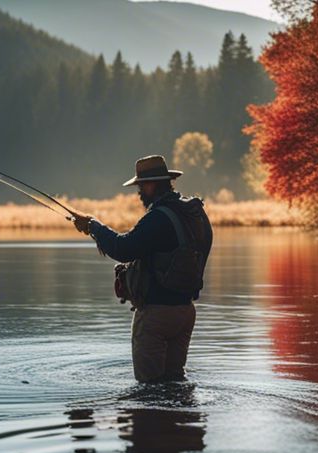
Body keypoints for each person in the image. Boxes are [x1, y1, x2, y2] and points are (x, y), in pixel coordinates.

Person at [72, 155, 213, 382]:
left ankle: (150, 417)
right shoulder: (194, 213)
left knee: (149, 389)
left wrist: (94, 226)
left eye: (140, 187)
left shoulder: (158, 217)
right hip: (185, 311)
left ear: (151, 185)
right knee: (174, 382)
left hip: (156, 315)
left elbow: (123, 248)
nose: (139, 193)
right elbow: (204, 248)